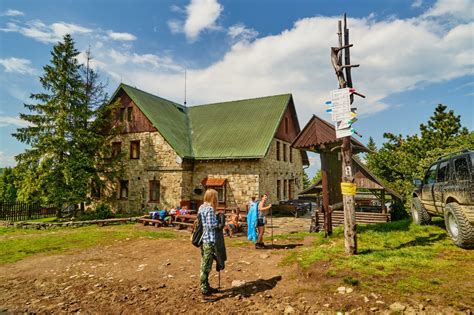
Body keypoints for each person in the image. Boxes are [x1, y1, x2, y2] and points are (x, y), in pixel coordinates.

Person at [198, 189, 219, 296]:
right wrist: (218, 222)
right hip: (208, 239)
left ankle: (205, 285)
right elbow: (211, 225)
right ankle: (204, 288)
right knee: (206, 264)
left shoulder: (201, 207)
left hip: (202, 239)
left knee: (204, 262)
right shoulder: (210, 209)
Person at [214, 208, 227, 272]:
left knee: (219, 249)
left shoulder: (221, 215)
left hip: (218, 235)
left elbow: (221, 226)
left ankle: (220, 263)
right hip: (212, 236)